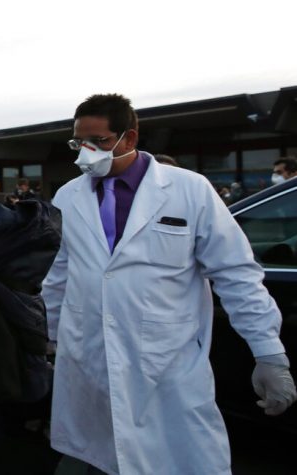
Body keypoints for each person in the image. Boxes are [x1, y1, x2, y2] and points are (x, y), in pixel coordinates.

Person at [41, 93, 296, 475]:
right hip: (90, 359)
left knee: (182, 460)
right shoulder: (68, 195)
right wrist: (46, 336)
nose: (86, 151)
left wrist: (269, 353)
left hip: (167, 362)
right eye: (79, 142)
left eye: (99, 142)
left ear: (129, 138)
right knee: (98, 459)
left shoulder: (188, 190)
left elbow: (236, 274)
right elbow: (60, 274)